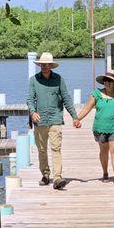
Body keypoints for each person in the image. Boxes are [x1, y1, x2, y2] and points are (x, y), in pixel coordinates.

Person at [27, 52, 80, 190]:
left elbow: (66, 98)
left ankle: (57, 177)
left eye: (47, 64)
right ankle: (45, 175)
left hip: (55, 118)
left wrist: (75, 117)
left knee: (56, 148)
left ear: (51, 65)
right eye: (42, 64)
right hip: (40, 120)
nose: (45, 66)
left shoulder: (59, 79)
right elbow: (30, 99)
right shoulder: (33, 80)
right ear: (39, 65)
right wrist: (33, 112)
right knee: (42, 150)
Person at [75, 69, 114, 187]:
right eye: (106, 80)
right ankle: (105, 172)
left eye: (110, 81)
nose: (107, 82)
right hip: (100, 128)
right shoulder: (96, 94)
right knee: (104, 151)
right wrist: (77, 119)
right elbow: (86, 108)